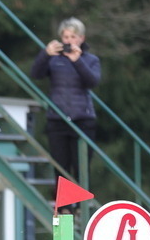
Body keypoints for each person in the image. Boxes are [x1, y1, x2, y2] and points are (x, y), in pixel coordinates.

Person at [30, 17, 101, 208]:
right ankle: (63, 207)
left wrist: (78, 61)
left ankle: (81, 206)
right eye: (65, 36)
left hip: (83, 119)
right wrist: (45, 54)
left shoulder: (91, 60)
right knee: (61, 167)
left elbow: (92, 81)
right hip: (58, 119)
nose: (69, 41)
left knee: (81, 167)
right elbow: (35, 73)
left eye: (73, 37)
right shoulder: (53, 59)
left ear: (81, 38)